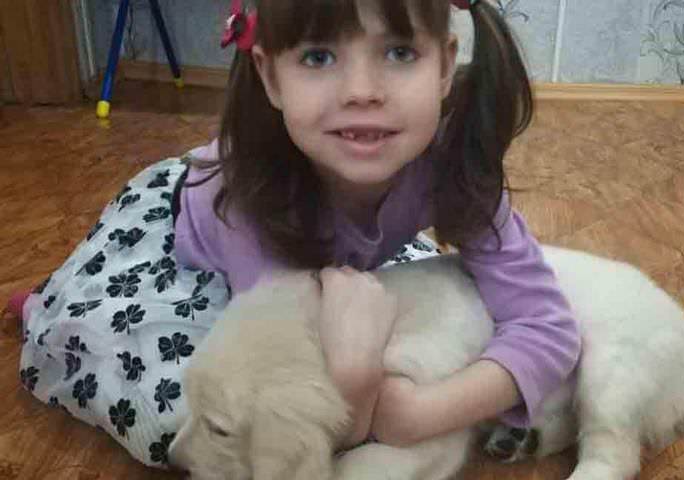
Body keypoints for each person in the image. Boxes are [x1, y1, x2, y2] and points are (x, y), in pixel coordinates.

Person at [9, 0, 580, 468]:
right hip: (179, 241)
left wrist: (421, 415)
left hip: (321, 260)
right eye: (318, 56)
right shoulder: (245, 201)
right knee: (184, 417)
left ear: (445, 67)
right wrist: (358, 386)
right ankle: (52, 309)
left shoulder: (456, 167)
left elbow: (548, 326)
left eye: (399, 52)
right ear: (269, 76)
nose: (362, 91)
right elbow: (297, 386)